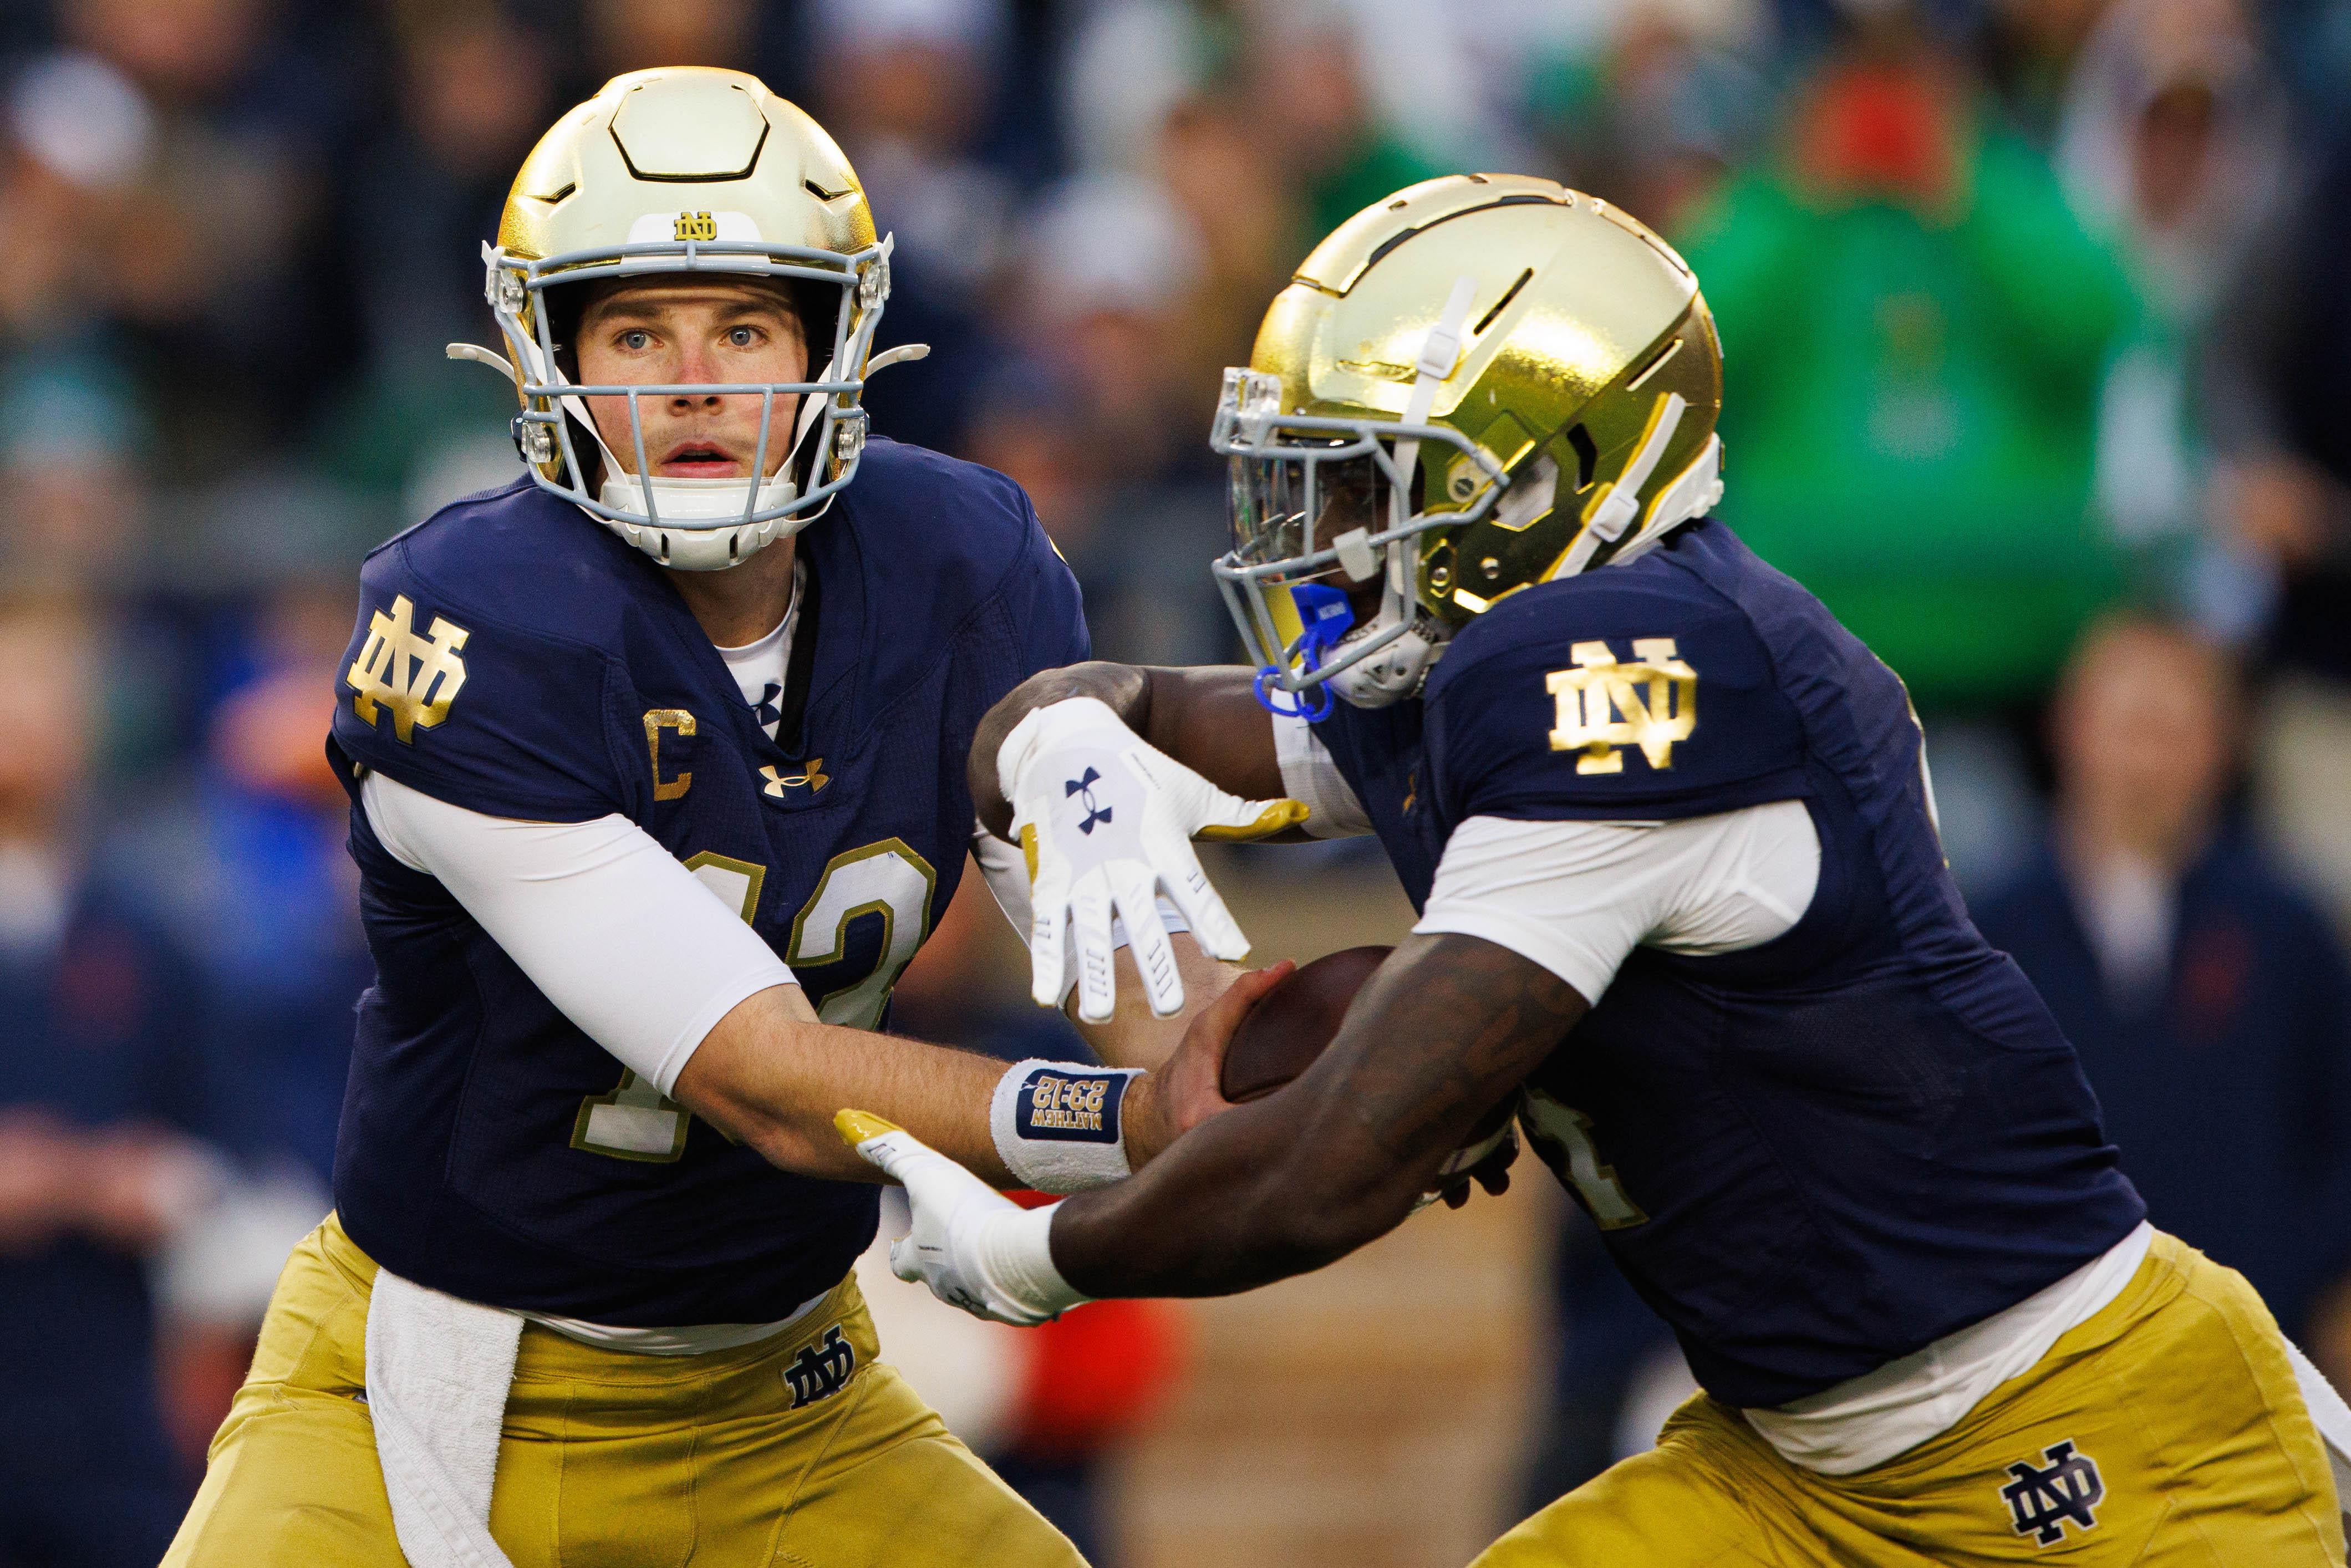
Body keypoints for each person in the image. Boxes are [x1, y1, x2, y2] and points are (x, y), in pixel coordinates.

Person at [856, 174, 2351, 1564]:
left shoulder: (1649, 675)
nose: (1324, 536)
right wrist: (1068, 728)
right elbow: (1189, 724)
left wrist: (1038, 1251)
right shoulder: (1485, 661)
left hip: (2089, 1419)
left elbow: (1332, 1167)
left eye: (1371, 485)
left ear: (1534, 482)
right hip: (1796, 1455)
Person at [163, 67, 1300, 1568]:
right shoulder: (471, 621)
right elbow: (762, 1073)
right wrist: (1115, 1123)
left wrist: (1265, 1069)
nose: (694, 381)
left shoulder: (965, 558)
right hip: (436, 1386)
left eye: (745, 329)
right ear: (548, 359)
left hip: (789, 1398)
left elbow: (1124, 973)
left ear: (834, 346)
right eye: (637, 332)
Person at [1975, 615, 2351, 1366]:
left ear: (2224, 744)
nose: (2148, 761)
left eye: (2175, 729)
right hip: (2045, 1371)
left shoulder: (2285, 928)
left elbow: (2335, 1135)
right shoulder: (1983, 932)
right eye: (2130, 725)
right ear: (2070, 729)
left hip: (2255, 1358)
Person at [0, 593, 235, 1567]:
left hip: (104, 1413)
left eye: (50, 701)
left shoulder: (147, 937)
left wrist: (132, 1183)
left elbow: (227, 1156)